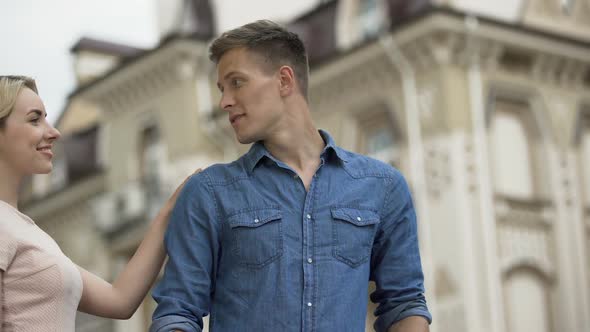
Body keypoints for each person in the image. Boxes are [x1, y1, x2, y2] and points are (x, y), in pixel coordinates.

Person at [150, 20, 432, 332]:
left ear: (284, 81)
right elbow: (177, 313)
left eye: (236, 82)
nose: (224, 101)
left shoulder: (383, 187)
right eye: (221, 89)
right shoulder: (209, 193)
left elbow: (404, 304)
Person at [0, 75, 198, 331]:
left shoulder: (28, 231)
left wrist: (170, 210)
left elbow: (120, 301)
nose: (53, 132)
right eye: (34, 119)